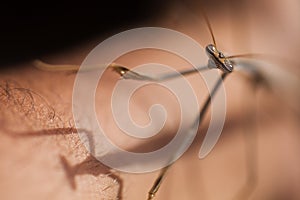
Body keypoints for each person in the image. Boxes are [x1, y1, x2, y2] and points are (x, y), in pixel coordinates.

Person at [1, 0, 300, 199]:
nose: (214, 59)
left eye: (219, 61)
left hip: (285, 97)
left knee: (244, 172)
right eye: (215, 57)